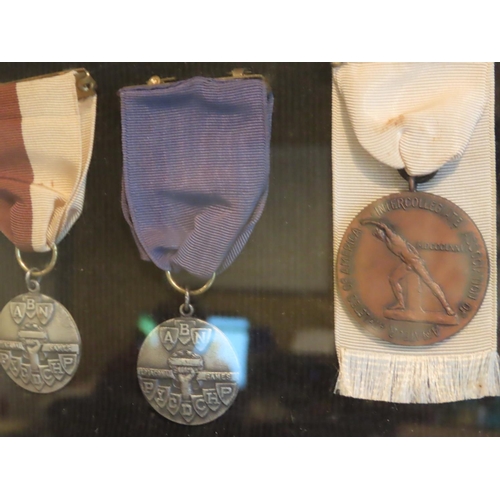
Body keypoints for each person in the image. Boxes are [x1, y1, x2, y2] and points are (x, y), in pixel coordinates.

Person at [361, 220, 455, 316]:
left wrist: (368, 222)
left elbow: (383, 226)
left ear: (383, 232)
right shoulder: (388, 242)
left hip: (415, 263)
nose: (376, 234)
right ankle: (400, 304)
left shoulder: (394, 238)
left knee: (429, 283)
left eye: (378, 232)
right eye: (375, 233)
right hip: (407, 264)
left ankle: (447, 307)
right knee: (393, 279)